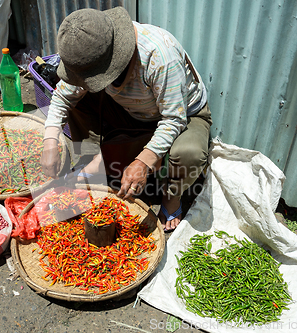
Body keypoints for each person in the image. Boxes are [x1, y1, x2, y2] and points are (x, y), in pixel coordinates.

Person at [40, 7, 212, 231]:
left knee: (189, 153)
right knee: (77, 101)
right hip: (132, 110)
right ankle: (93, 162)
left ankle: (172, 196)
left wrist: (144, 161)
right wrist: (50, 140)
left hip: (181, 114)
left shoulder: (158, 56)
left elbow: (173, 119)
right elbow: (63, 95)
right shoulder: (92, 51)